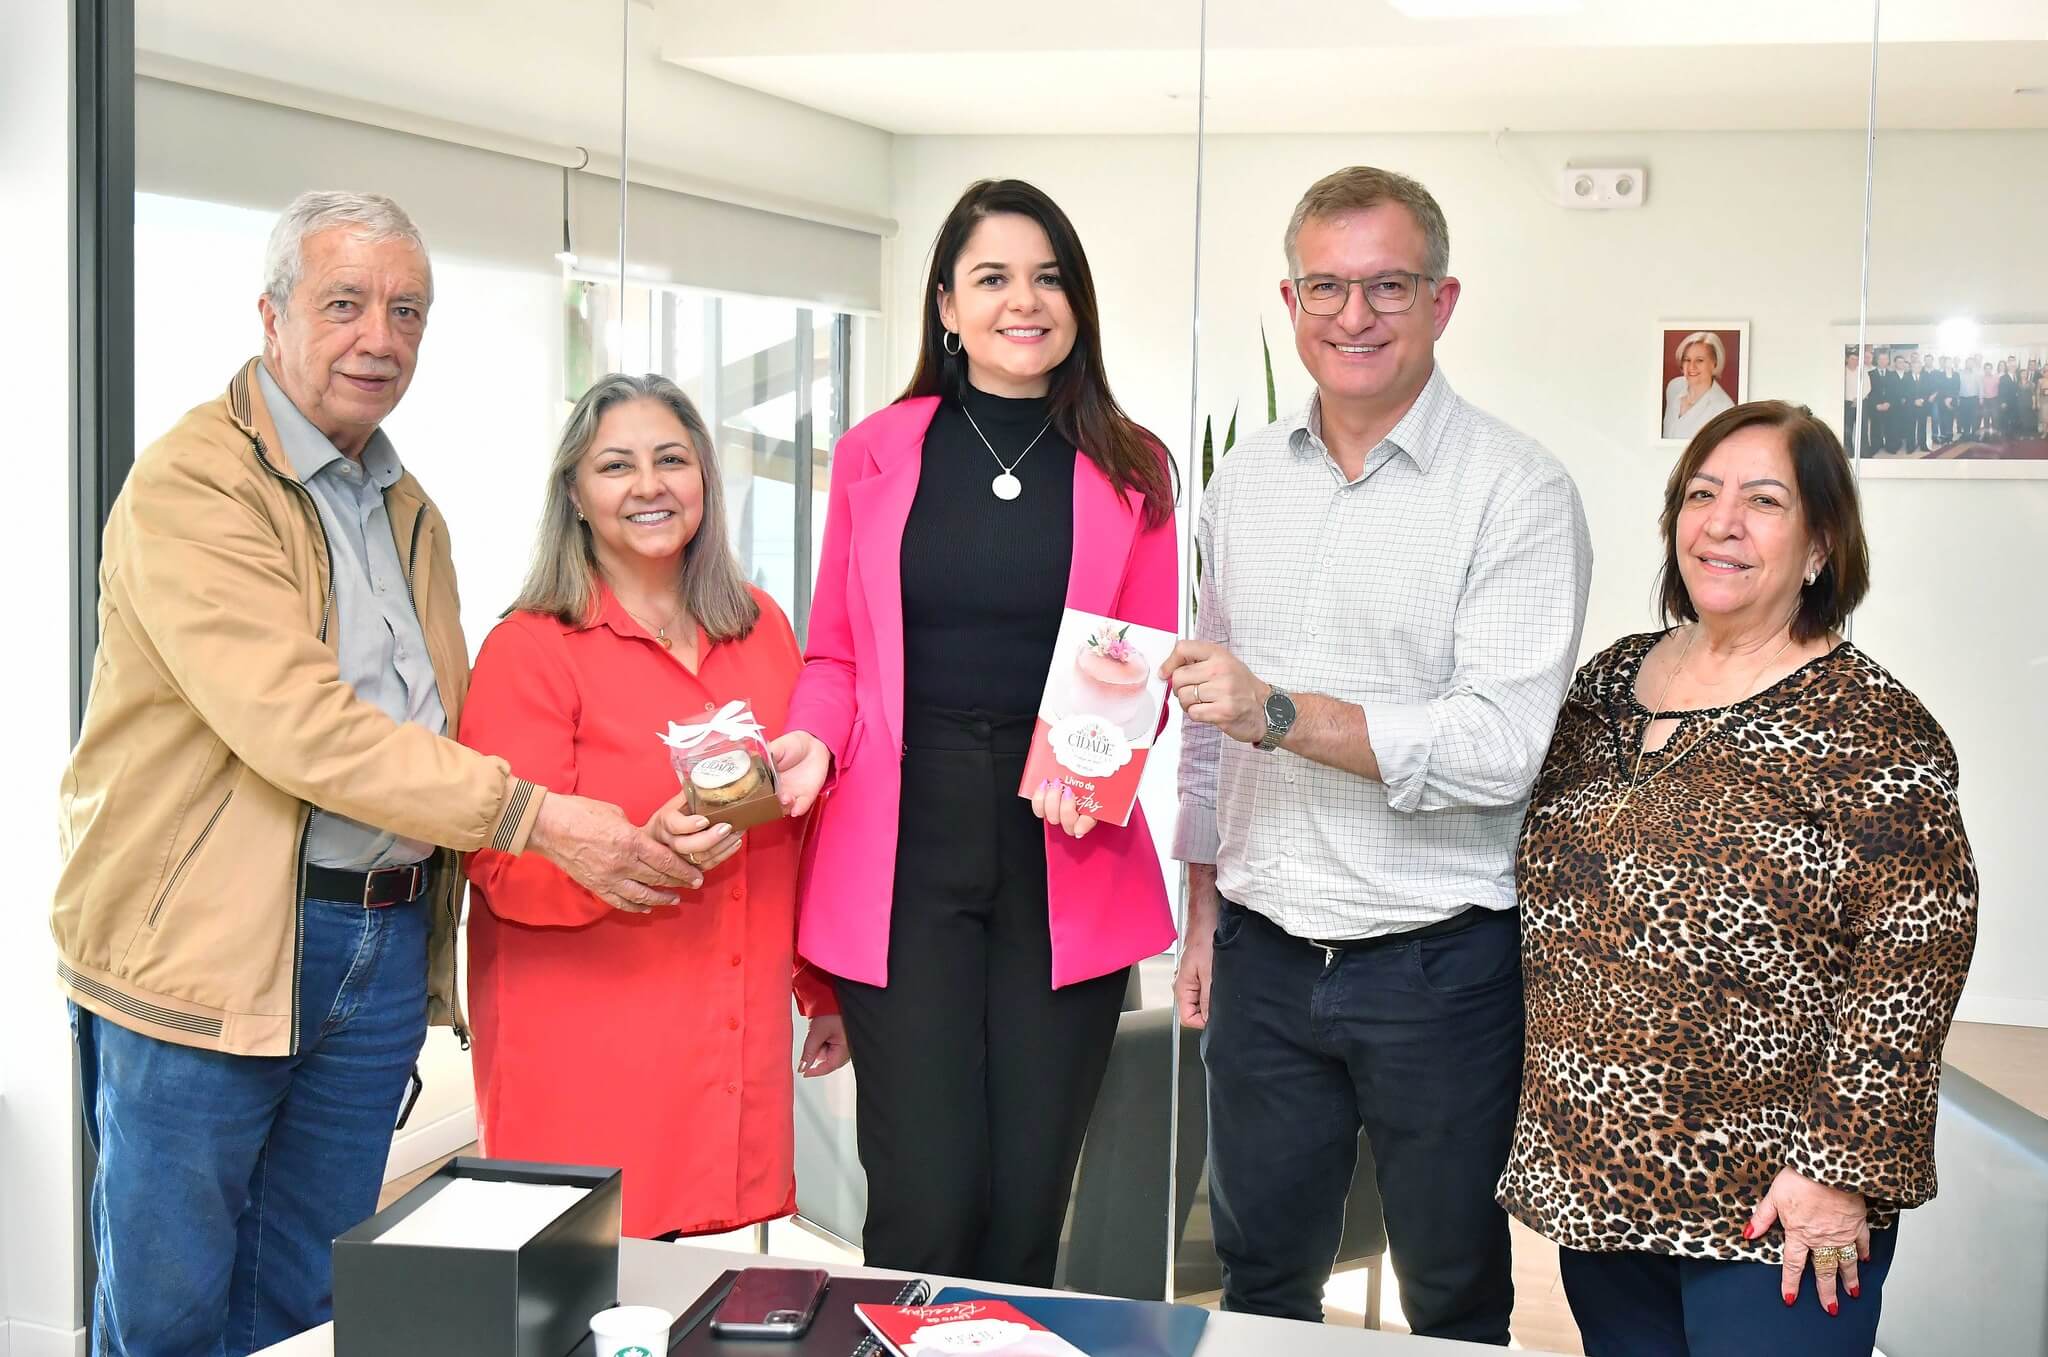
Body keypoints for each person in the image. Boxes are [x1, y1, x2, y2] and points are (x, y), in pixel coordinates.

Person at [54, 192, 701, 1355]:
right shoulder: (192, 487)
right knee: (170, 1313)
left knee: (311, 1301)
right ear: (270, 315)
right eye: (343, 304)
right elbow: (304, 726)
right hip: (207, 954)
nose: (380, 337)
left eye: (406, 310)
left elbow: (444, 720)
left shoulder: (409, 508)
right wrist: (535, 816)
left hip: (378, 944)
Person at [1165, 166, 1592, 1343]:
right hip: (1259, 956)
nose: (1353, 315)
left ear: (1441, 301)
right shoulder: (1241, 480)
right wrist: (1200, 909)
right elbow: (1208, 722)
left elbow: (1499, 749)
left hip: (1435, 971)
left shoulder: (1516, 491)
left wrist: (1282, 713)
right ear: (1289, 299)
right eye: (1326, 287)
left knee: (1451, 1291)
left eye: (1386, 286)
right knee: (1259, 1286)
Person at [1499, 400, 1977, 1357]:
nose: (1722, 522)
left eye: (1764, 500)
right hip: (1603, 1180)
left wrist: (1837, 1170)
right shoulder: (1606, 683)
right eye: (1703, 494)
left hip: (1776, 1205)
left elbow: (1916, 960)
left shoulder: (1870, 721)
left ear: (1820, 544)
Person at [771, 179, 1179, 1287]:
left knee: (1027, 1195)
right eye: (992, 278)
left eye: (1047, 277)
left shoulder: (1131, 466)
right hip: (899, 843)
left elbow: (1136, 656)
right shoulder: (877, 451)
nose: (1024, 301)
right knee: (926, 1192)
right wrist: (809, 742)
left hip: (1065, 836)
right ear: (944, 307)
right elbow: (834, 655)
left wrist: (1090, 772)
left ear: (1078, 302)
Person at [458, 373, 849, 1240]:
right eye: (616, 465)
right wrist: (631, 852)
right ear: (575, 492)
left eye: (672, 459)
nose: (649, 485)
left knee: (707, 1292)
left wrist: (821, 988)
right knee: (594, 1288)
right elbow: (493, 859)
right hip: (588, 1039)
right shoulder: (529, 648)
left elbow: (809, 823)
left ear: (704, 480)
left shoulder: (763, 628)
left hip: (730, 1032)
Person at [1663, 331, 1736, 441]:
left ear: (1715, 363)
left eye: (1699, 360)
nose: (1691, 366)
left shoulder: (1724, 409)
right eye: (1687, 360)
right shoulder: (1673, 387)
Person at [1841, 348, 1867, 457]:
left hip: (1860, 403)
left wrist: (1858, 398)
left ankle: (1864, 452)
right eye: (1852, 359)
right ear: (1847, 359)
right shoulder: (1842, 371)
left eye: (1857, 359)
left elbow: (1867, 386)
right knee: (1848, 429)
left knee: (1862, 428)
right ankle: (1849, 453)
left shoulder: (1862, 371)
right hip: (1847, 403)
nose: (1854, 361)